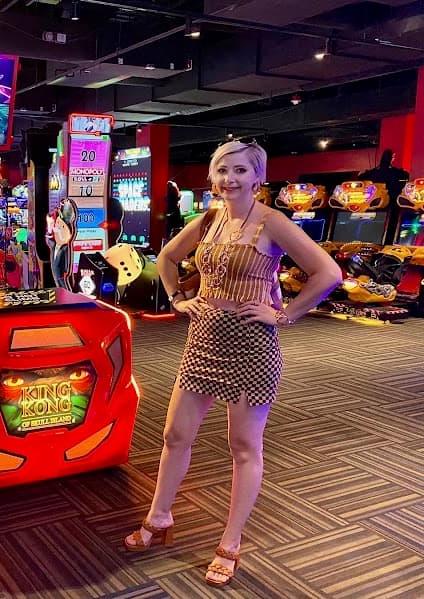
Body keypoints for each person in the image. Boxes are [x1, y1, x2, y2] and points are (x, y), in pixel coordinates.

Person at [123, 140, 342, 587]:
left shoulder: (273, 222)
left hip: (251, 346)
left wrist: (285, 314)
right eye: (223, 170)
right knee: (174, 435)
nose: (230, 179)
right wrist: (178, 298)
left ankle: (231, 542)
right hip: (203, 340)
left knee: (243, 447)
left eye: (240, 170)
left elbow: (328, 274)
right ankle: (160, 517)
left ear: (258, 177)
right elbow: (166, 258)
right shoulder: (209, 218)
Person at [357, 149, 410, 245]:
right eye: (393, 157)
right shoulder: (394, 171)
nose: (394, 158)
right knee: (390, 224)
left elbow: (360, 176)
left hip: (374, 204)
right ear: (390, 158)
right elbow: (406, 174)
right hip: (391, 204)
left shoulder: (374, 171)